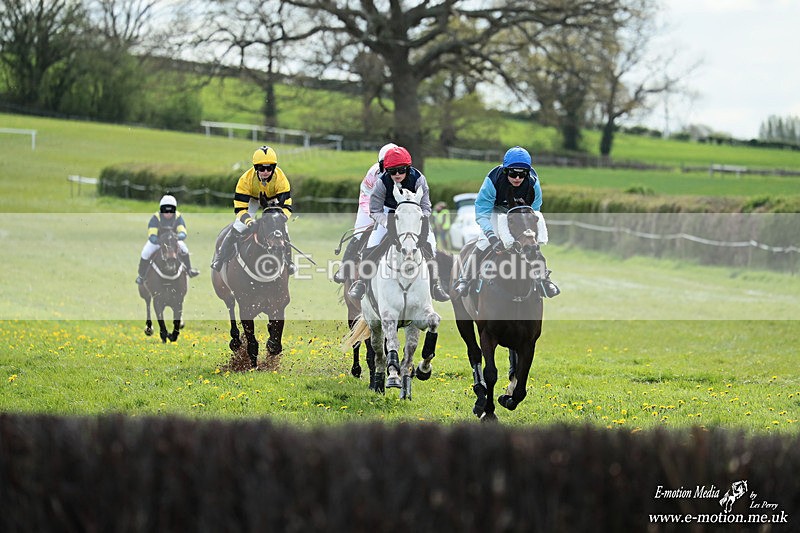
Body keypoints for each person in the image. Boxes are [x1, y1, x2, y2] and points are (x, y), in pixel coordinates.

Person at [452, 146, 560, 298]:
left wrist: (530, 232)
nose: (517, 178)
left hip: (520, 213)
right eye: (513, 173)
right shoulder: (493, 180)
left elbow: (534, 211)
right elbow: (482, 212)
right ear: (505, 171)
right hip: (497, 211)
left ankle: (544, 280)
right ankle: (465, 278)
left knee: (531, 243)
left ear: (527, 173)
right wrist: (492, 237)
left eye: (522, 174)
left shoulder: (533, 183)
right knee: (483, 242)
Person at [347, 146, 450, 302]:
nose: (396, 174)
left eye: (401, 170)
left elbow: (426, 207)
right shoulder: (381, 182)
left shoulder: (419, 179)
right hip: (389, 212)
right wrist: (388, 224)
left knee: (431, 243)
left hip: (413, 213)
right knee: (372, 243)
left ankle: (435, 284)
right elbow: (375, 209)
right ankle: (361, 282)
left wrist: (419, 221)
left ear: (408, 168)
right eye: (392, 171)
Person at [210, 145, 295, 274]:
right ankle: (220, 258)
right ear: (256, 168)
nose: (266, 171)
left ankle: (289, 262)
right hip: (252, 200)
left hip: (273, 201)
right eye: (262, 168)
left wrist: (282, 218)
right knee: (238, 226)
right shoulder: (245, 180)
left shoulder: (281, 179)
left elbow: (287, 205)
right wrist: (249, 222)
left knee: (283, 229)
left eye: (269, 168)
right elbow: (240, 209)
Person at [333, 142, 397, 284]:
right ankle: (345, 267)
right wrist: (373, 214)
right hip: (369, 205)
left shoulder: (403, 173)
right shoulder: (373, 173)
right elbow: (366, 196)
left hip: (393, 209)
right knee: (360, 232)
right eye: (386, 165)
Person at [135, 194, 199, 284]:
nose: (168, 213)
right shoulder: (156, 217)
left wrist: (177, 237)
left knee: (185, 249)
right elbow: (152, 235)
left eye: (170, 210)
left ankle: (189, 270)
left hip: (173, 241)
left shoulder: (178, 217)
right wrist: (159, 241)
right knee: (145, 253)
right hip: (158, 242)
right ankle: (141, 276)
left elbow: (183, 232)